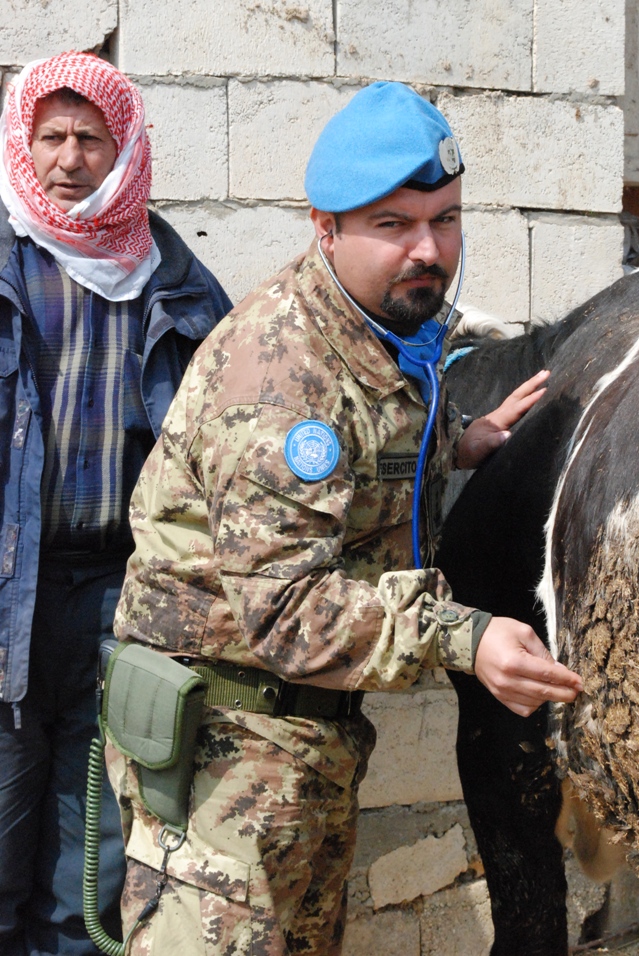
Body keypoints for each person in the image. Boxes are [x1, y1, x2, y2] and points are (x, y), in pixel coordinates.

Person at [108, 81, 583, 955]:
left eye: (445, 219)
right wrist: (465, 637)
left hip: (297, 742)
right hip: (228, 754)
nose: (428, 249)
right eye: (393, 226)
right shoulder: (283, 377)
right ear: (325, 229)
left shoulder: (371, 330)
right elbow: (287, 611)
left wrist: (455, 447)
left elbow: (354, 465)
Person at [0, 51, 232, 956]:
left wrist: (445, 437)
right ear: (24, 145)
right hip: (8, 600)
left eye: (89, 138)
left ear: (124, 147)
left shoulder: (171, 279)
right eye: (49, 136)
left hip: (119, 601)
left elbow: (248, 421)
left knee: (90, 863)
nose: (68, 158)